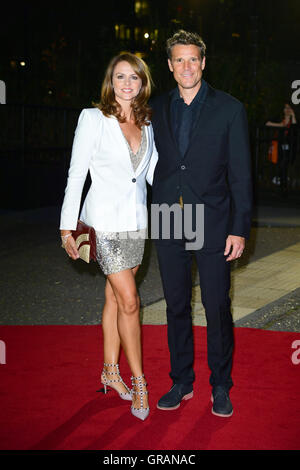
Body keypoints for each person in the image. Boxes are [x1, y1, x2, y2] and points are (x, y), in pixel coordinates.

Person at [150, 30, 252, 417]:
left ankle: (220, 384)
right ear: (171, 66)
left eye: (193, 59)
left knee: (215, 305)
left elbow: (241, 174)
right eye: (180, 60)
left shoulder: (229, 109)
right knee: (176, 305)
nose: (187, 66)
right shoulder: (156, 108)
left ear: (203, 63)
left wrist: (239, 227)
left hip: (213, 219)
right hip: (169, 216)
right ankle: (181, 381)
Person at [59, 52, 158, 421]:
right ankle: (141, 382)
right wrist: (67, 226)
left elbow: (151, 174)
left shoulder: (147, 122)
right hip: (102, 225)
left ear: (143, 83)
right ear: (110, 81)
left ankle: (110, 373)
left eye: (134, 77)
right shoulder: (93, 118)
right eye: (120, 77)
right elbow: (76, 173)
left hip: (136, 223)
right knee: (131, 301)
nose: (127, 83)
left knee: (115, 298)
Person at [266, 103, 298, 193]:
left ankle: (284, 184)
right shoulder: (280, 119)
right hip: (279, 146)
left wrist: (293, 116)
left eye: (289, 108)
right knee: (280, 164)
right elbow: (268, 123)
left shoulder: (293, 121)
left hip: (290, 147)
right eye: (285, 108)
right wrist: (281, 125)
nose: (287, 110)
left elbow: (295, 130)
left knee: (285, 164)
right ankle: (280, 183)